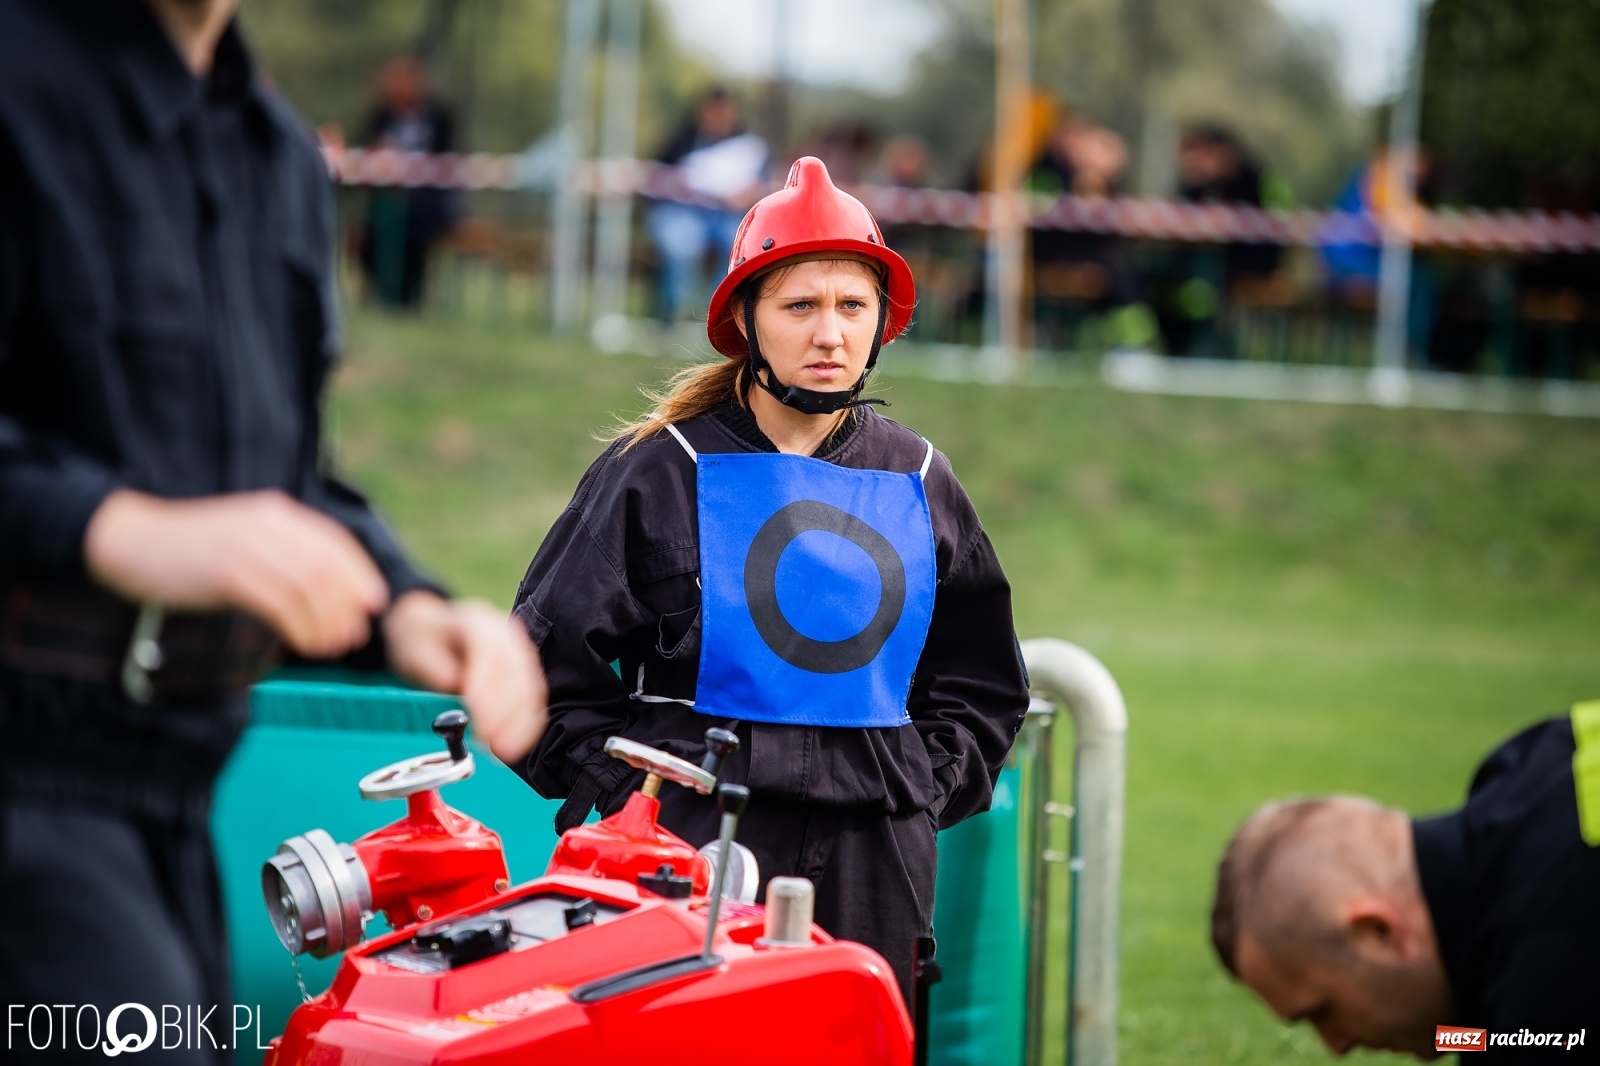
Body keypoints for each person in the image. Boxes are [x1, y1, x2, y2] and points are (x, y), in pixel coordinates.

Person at [0, 0, 547, 1059]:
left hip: (170, 794)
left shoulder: (281, 156)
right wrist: (118, 527)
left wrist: (407, 605)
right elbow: (170, 522)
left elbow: (281, 485)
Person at [511, 157, 1029, 1001]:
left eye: (852, 306)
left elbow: (982, 687)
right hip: (689, 850)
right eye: (802, 306)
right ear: (747, 321)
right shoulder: (658, 471)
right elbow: (535, 669)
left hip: (874, 863)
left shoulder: (922, 478)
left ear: (880, 322)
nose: (830, 334)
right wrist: (622, 802)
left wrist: (913, 792)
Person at [1210, 704, 1600, 1060]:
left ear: (1379, 931)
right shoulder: (1541, 763)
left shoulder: (1550, 947)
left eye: (1322, 1012)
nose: (1338, 1047)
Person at [646, 88, 769, 322]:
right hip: (683, 212)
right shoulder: (681, 142)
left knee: (739, 247)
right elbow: (657, 178)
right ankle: (675, 313)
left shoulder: (748, 147)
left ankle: (718, 315)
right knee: (680, 244)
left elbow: (760, 188)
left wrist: (742, 196)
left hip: (728, 216)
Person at [359, 55, 460, 309]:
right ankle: (379, 293)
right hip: (389, 197)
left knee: (415, 230)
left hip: (427, 200)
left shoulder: (439, 117)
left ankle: (408, 298)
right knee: (373, 229)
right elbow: (365, 151)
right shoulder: (382, 116)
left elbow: (445, 161)